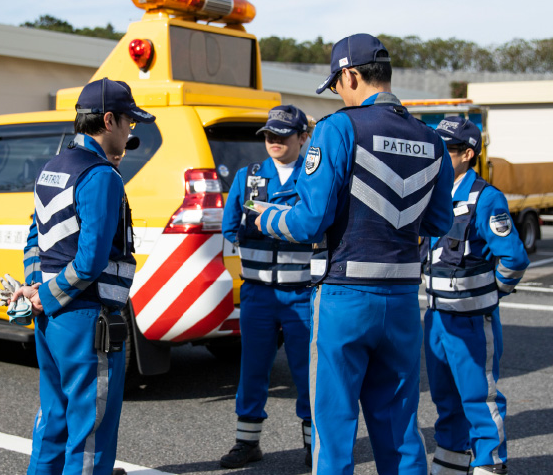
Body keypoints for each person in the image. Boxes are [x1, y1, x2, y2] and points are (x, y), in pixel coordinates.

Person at [253, 34, 455, 474]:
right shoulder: (431, 139)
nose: (340, 92)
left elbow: (309, 221)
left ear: (349, 74)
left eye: (338, 83)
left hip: (345, 296)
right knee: (400, 428)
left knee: (335, 427)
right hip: (402, 299)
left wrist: (266, 217)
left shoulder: (338, 128)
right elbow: (439, 222)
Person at [10, 77, 155, 475]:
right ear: (109, 120)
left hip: (51, 319)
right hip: (90, 318)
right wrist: (52, 294)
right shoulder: (101, 175)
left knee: (53, 420)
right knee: (90, 433)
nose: (130, 130)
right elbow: (90, 261)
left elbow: (33, 238)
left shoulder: (53, 167)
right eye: (129, 122)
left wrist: (36, 290)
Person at [423, 117, 529, 475]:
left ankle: (489, 464)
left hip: (470, 320)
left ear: (467, 154)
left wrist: (491, 293)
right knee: (445, 398)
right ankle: (451, 463)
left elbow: (513, 258)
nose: (436, 155)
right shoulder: (430, 194)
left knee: (478, 398)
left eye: (445, 149)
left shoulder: (485, 198)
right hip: (436, 318)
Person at [220, 105, 314, 469]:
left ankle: (312, 444)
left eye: (283, 134)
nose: (273, 141)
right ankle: (247, 444)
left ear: (303, 137)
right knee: (253, 368)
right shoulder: (248, 176)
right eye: (269, 135)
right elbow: (231, 227)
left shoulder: (314, 176)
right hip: (258, 293)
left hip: (301, 295)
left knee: (307, 371)